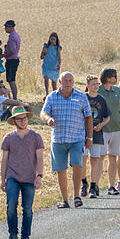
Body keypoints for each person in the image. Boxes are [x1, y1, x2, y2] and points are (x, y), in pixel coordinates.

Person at [40, 72, 92, 209]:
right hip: (58, 138)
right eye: (65, 80)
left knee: (77, 164)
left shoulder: (81, 97)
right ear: (59, 81)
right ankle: (65, 199)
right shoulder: (52, 97)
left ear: (73, 82)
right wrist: (48, 119)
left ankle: (76, 196)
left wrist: (90, 137)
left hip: (77, 138)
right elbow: (43, 112)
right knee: (61, 169)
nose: (68, 83)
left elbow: (88, 117)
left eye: (70, 80)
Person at [0, 106, 44, 239]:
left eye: (24, 118)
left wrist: (39, 176)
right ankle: (12, 234)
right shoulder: (8, 138)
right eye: (19, 119)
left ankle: (26, 236)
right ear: (14, 121)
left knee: (28, 208)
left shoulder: (36, 137)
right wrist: (2, 179)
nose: (23, 121)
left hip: (29, 176)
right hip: (12, 175)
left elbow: (40, 158)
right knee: (11, 205)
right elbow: (4, 160)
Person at [97, 68, 120, 196]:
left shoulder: (117, 91)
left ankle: (111, 186)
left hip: (116, 128)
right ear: (108, 78)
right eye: (114, 76)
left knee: (113, 157)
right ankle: (95, 185)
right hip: (102, 129)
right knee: (99, 157)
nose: (116, 78)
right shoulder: (98, 90)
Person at [80, 75, 110, 199]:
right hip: (83, 134)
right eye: (93, 84)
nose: (96, 86)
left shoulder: (101, 99)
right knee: (82, 159)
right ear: (87, 86)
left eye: (97, 84)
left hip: (97, 133)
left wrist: (101, 125)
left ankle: (93, 186)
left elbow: (107, 117)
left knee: (95, 160)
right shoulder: (82, 98)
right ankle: (84, 183)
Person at [3, 20, 21, 100]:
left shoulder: (12, 37)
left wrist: (4, 55)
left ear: (10, 27)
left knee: (11, 80)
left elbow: (13, 51)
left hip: (11, 60)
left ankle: (14, 98)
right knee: (11, 79)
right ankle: (14, 98)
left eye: (6, 27)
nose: (5, 29)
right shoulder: (16, 35)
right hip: (14, 60)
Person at [41, 32, 61, 101]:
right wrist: (44, 51)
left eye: (54, 39)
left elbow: (59, 57)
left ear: (56, 40)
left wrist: (59, 64)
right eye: (51, 39)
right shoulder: (46, 46)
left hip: (54, 67)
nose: (52, 41)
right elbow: (41, 57)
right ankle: (46, 94)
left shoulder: (57, 48)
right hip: (46, 66)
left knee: (54, 83)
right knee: (46, 78)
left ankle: (54, 95)